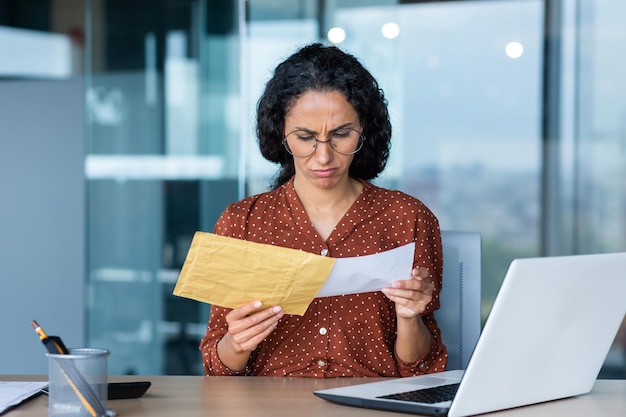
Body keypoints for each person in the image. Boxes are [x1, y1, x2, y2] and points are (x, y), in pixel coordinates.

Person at [199, 42, 446, 377]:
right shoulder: (242, 223)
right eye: (305, 137)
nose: (323, 157)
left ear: (364, 130)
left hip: (372, 403)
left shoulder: (407, 219)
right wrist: (237, 343)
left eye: (341, 135)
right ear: (281, 133)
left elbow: (423, 367)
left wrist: (409, 317)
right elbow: (217, 366)